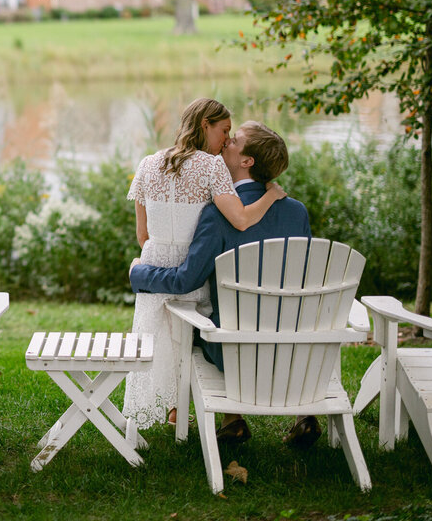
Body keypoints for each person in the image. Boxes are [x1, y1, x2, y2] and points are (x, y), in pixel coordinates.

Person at [128, 120, 318, 447]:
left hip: (235, 350)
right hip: (293, 348)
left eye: (235, 141)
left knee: (192, 325)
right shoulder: (296, 211)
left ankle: (233, 419)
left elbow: (186, 278)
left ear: (247, 162)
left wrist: (139, 273)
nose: (226, 141)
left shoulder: (217, 215)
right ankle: (303, 413)